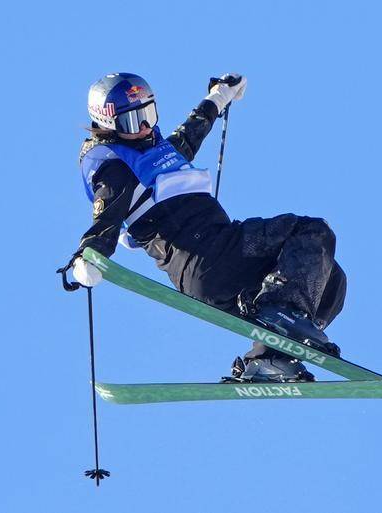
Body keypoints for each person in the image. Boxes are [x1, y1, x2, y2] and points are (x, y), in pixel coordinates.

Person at [65, 72, 346, 383]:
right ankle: (281, 315)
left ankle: (271, 357)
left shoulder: (156, 154)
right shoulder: (114, 167)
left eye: (148, 114)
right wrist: (87, 256)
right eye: (132, 121)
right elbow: (106, 217)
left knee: (330, 277)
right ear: (109, 124)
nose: (144, 126)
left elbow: (189, 134)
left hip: (219, 268)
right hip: (207, 255)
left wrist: (219, 97)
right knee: (312, 232)